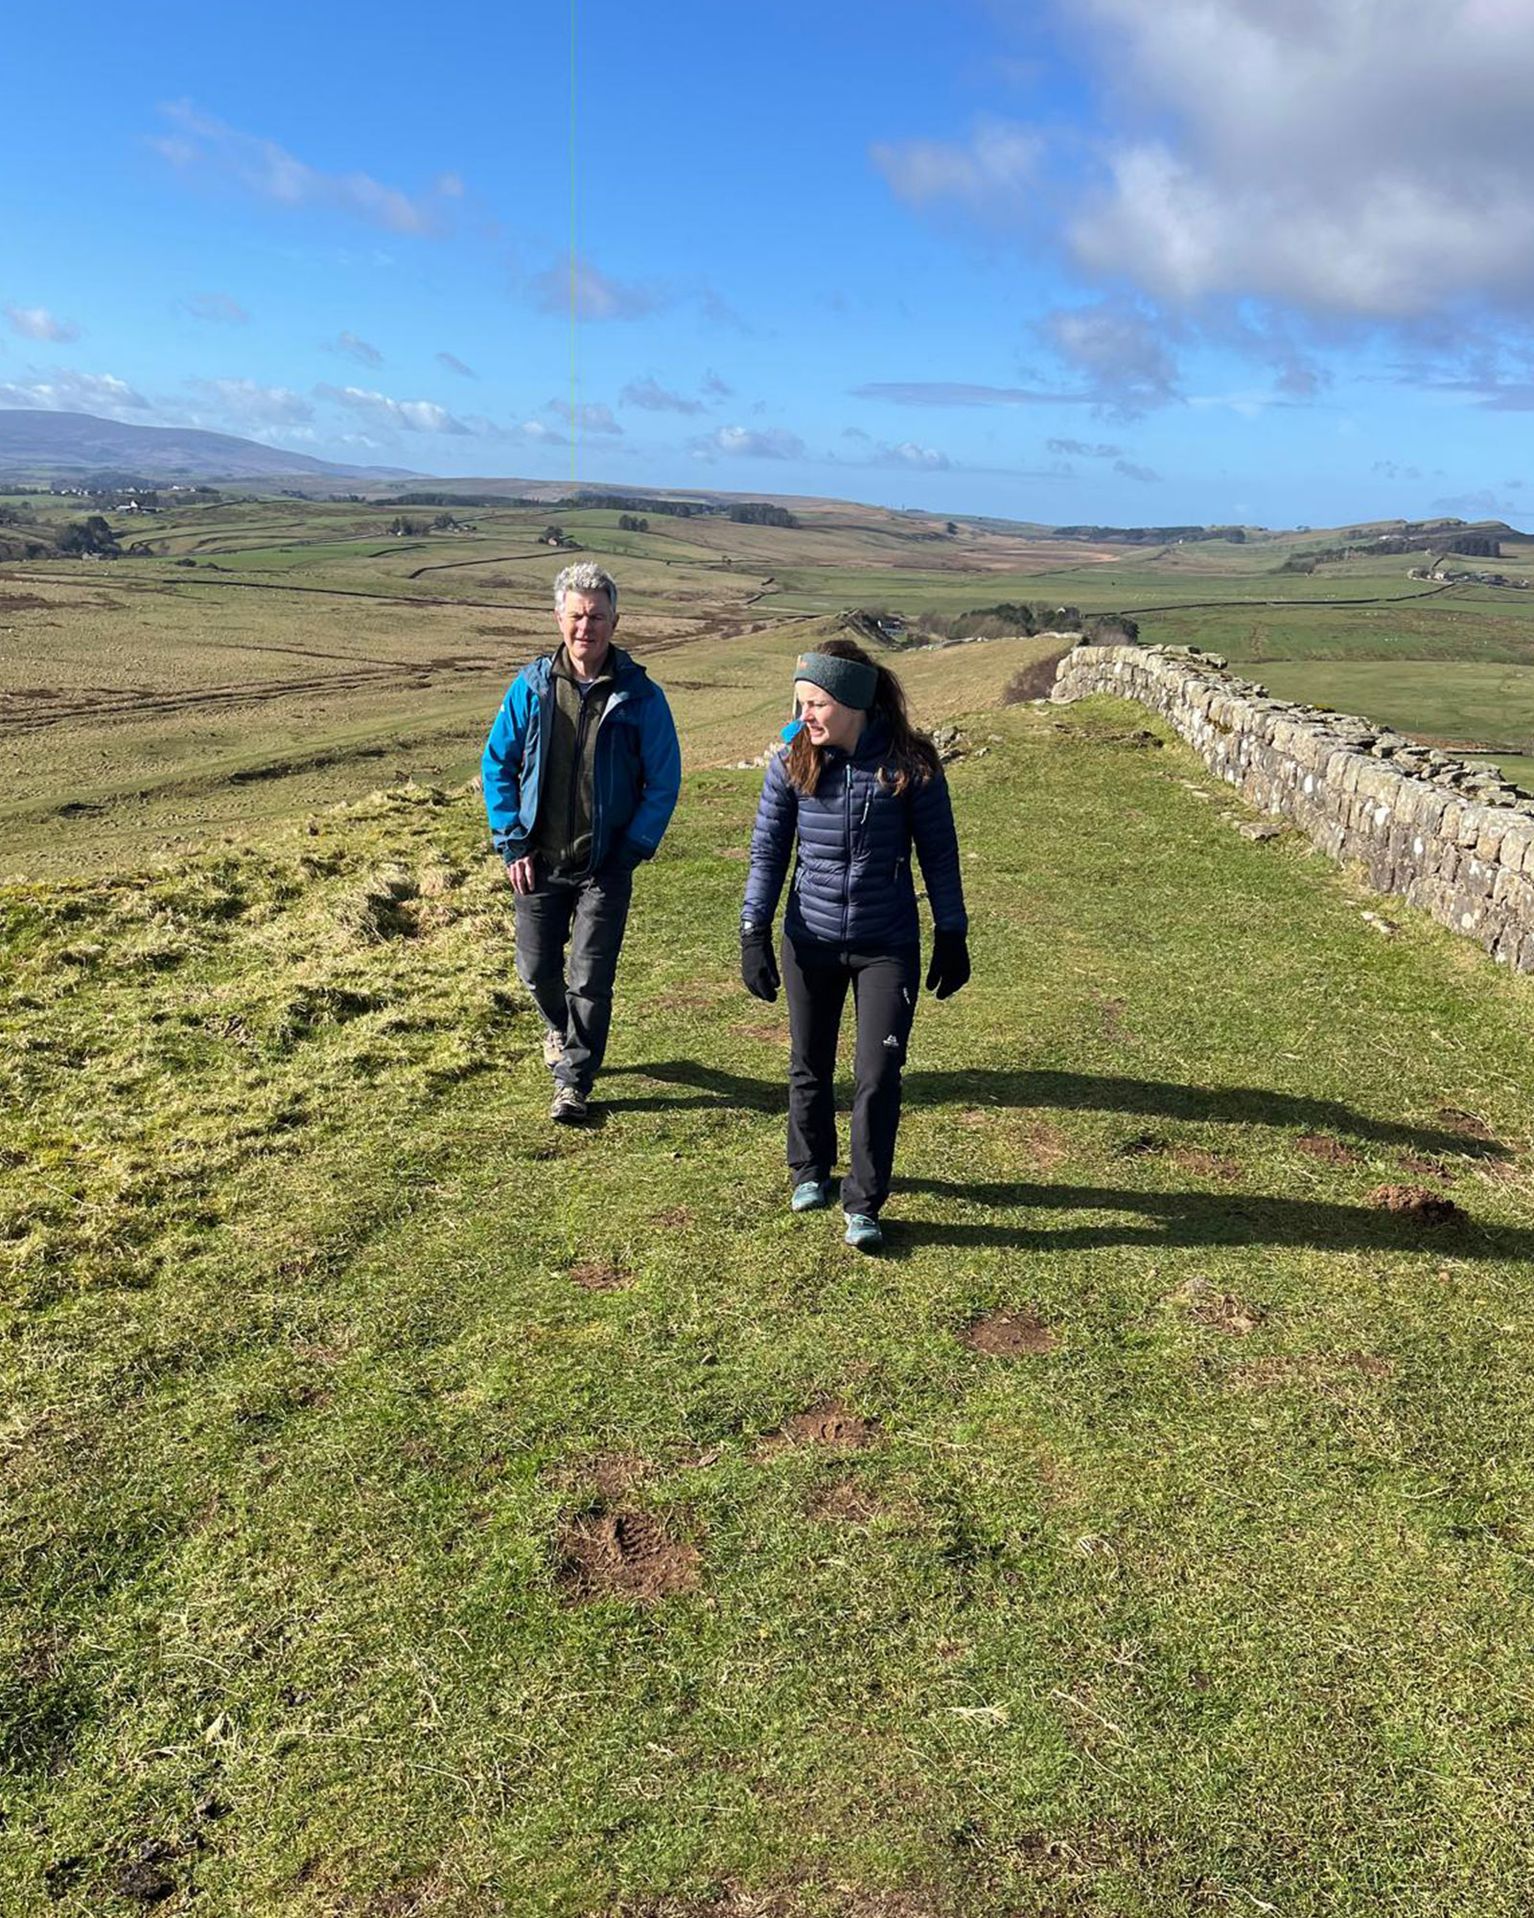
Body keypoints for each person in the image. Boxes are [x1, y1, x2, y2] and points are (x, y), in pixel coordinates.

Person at [740, 638, 970, 1250]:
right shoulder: (792, 762)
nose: (803, 717)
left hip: (885, 943)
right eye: (799, 703)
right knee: (808, 1061)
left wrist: (952, 931)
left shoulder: (911, 766)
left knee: (879, 1073)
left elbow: (939, 856)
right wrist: (752, 932)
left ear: (852, 702)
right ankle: (809, 1170)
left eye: (815, 704)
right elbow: (768, 853)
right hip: (808, 938)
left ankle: (863, 1202)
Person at [482, 562, 681, 1123]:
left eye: (596, 616)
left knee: (590, 978)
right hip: (537, 859)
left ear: (615, 620)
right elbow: (498, 762)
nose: (585, 627)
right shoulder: (531, 686)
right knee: (535, 969)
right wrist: (512, 842)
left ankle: (573, 1081)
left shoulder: (641, 695)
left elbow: (663, 779)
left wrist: (634, 847)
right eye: (575, 615)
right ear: (558, 619)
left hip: (605, 863)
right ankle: (560, 1030)